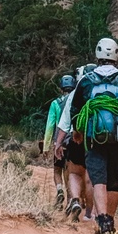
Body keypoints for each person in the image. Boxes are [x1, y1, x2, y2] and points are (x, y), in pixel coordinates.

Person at [68, 37, 118, 234]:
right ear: (115, 56)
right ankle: (109, 221)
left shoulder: (86, 81)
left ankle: (102, 219)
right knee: (114, 179)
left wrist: (77, 131)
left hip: (93, 137)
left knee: (98, 179)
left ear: (97, 56)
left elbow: (75, 109)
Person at [53, 63, 96, 222]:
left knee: (74, 173)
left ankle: (75, 199)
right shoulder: (100, 91)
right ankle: (89, 213)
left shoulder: (74, 94)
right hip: (96, 139)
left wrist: (57, 143)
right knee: (90, 177)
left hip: (75, 138)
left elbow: (64, 123)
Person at [42, 75, 75, 208]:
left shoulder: (55, 103)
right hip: (73, 140)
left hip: (59, 141)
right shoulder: (75, 101)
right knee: (70, 171)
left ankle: (60, 190)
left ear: (61, 88)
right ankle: (70, 201)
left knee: (57, 170)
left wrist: (46, 146)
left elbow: (50, 126)